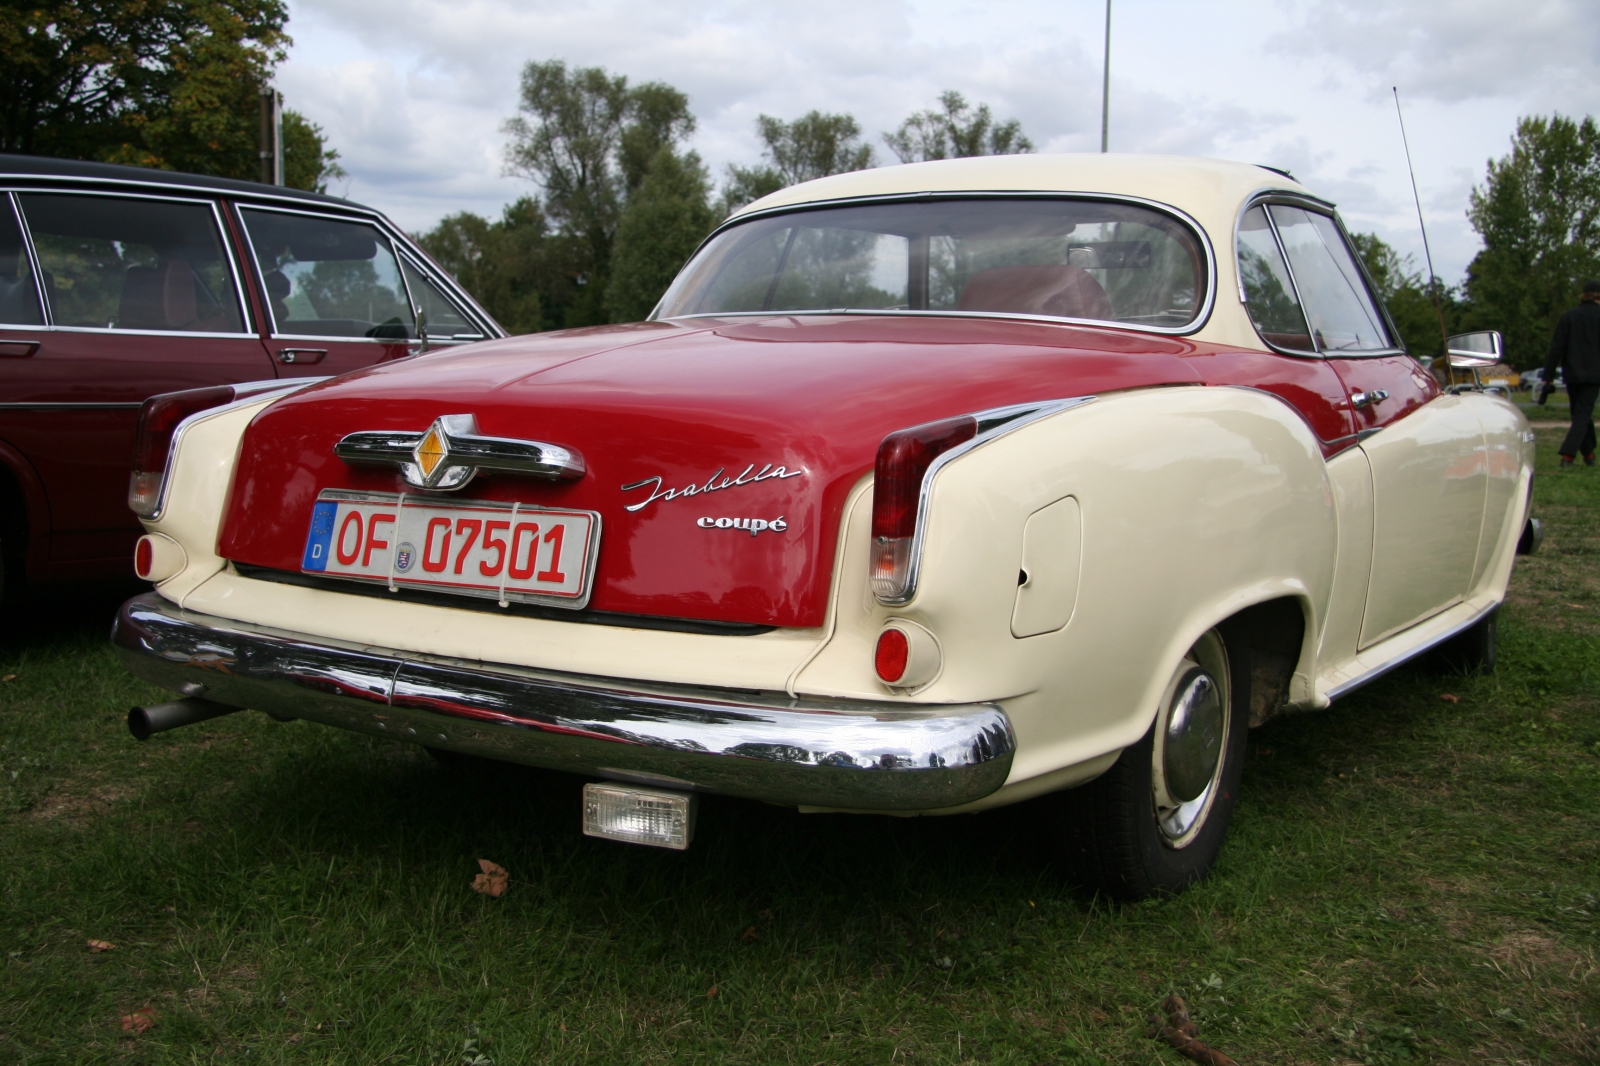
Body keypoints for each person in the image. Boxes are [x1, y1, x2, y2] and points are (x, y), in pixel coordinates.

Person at [1540, 280, 1600, 467]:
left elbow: (1556, 348)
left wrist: (1547, 377)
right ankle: (1568, 455)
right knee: (1582, 415)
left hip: (1572, 374)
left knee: (1580, 413)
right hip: (1594, 376)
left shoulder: (1569, 317)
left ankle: (1589, 454)